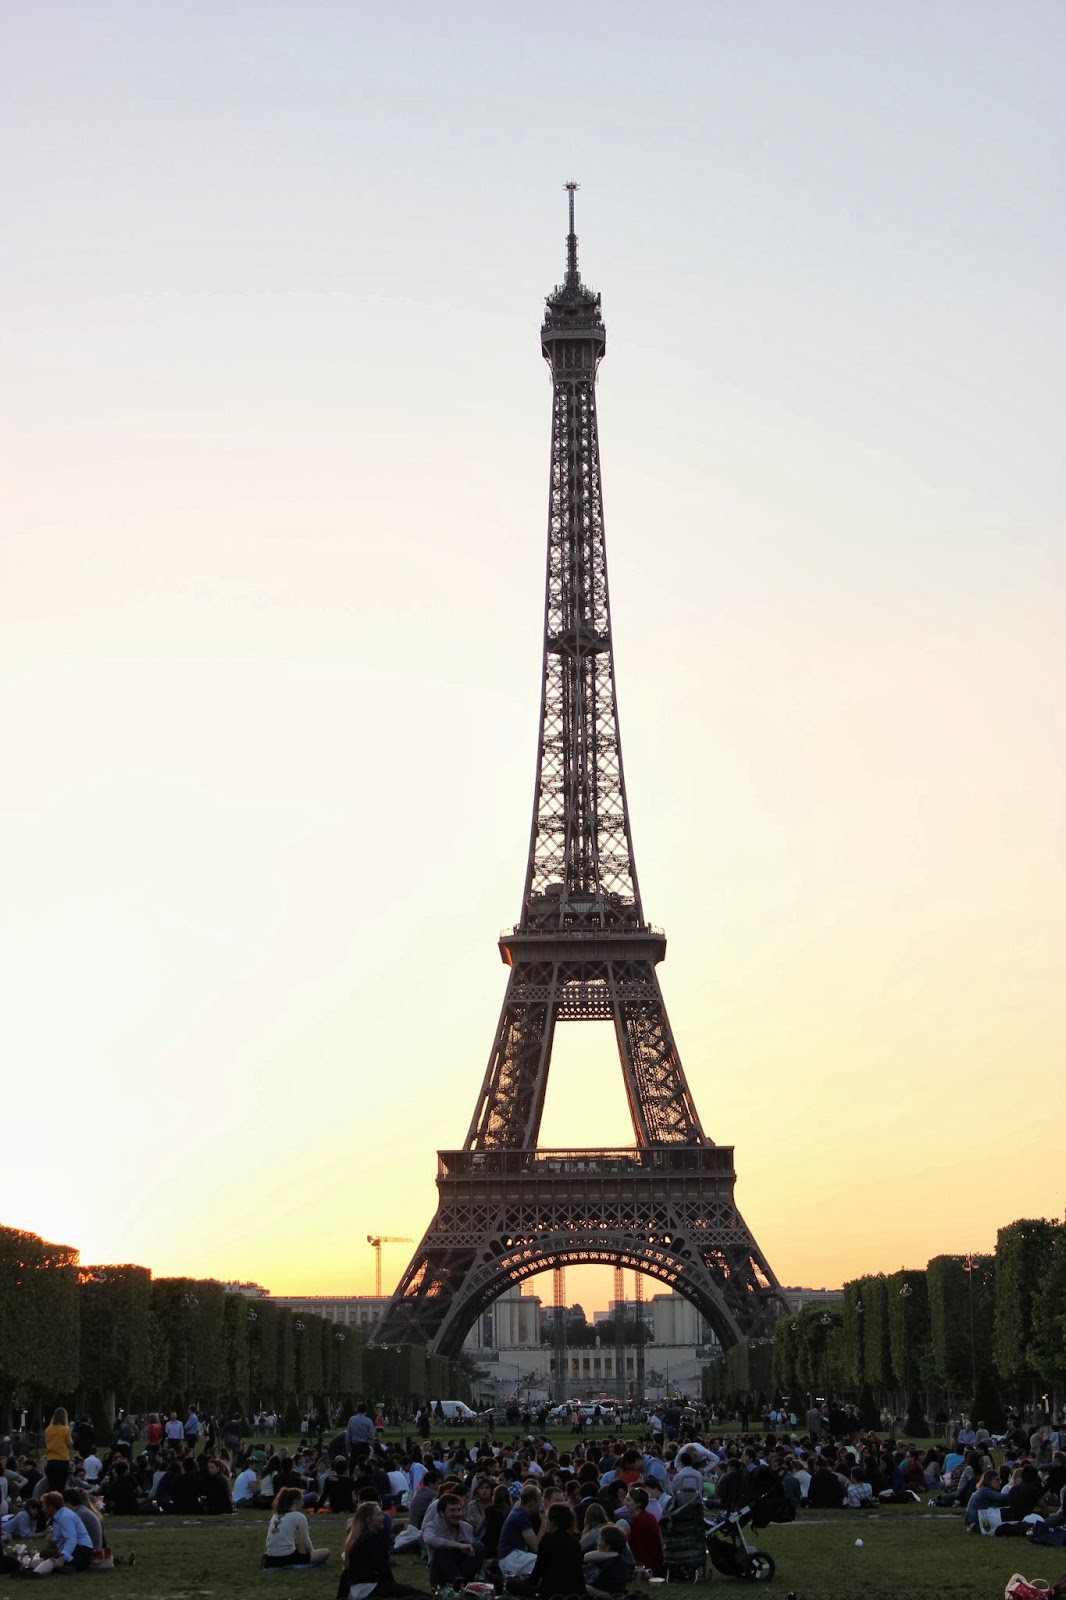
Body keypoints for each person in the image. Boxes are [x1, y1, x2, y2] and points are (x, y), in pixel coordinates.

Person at [336, 1500, 426, 1599]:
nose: (383, 1517)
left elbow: (346, 1571)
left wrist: (341, 1597)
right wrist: (393, 1586)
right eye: (379, 1515)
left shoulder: (355, 1539)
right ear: (368, 1519)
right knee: (421, 1596)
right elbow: (382, 1566)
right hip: (370, 1588)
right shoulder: (370, 1538)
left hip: (358, 1591)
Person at [421, 1491, 483, 1589]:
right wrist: (458, 1545)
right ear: (442, 1513)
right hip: (441, 1575)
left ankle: (464, 1584)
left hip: (463, 1570)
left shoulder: (466, 1527)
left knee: (478, 1547)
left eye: (459, 1510)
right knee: (442, 1551)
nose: (457, 1514)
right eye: (452, 1510)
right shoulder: (432, 1527)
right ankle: (458, 1583)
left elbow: (470, 1553)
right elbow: (430, 1539)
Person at [262, 1486, 329, 1568]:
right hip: (286, 1558)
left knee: (295, 1544)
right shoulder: (299, 1516)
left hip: (271, 1558)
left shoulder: (275, 1516)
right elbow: (306, 1543)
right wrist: (312, 1556)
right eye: (302, 1500)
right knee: (325, 1553)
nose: (303, 1503)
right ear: (296, 1501)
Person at [531, 1502, 585, 1599]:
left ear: (554, 1521)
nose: (545, 1522)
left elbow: (539, 1569)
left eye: (547, 1518)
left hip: (552, 1592)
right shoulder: (575, 1542)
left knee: (512, 1584)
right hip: (574, 1591)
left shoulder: (548, 1539)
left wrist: (527, 1583)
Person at [32, 1490, 94, 1575]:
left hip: (81, 1551)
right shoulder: (59, 1516)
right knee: (44, 1554)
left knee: (51, 1562)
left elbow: (71, 1540)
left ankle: (39, 1572)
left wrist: (62, 1558)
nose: (43, 1509)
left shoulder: (65, 1517)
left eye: (44, 1506)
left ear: (51, 1506)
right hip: (78, 1548)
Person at [498, 1481, 542, 1580]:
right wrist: (544, 1522)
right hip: (510, 1558)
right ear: (532, 1502)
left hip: (510, 1557)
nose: (541, 1503)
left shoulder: (518, 1511)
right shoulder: (521, 1517)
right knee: (543, 1562)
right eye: (539, 1500)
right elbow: (537, 1548)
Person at [583, 1522, 629, 1599]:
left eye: (600, 1539)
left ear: (607, 1547)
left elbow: (601, 1589)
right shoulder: (614, 1559)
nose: (597, 1542)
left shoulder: (611, 1565)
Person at [44, 1408, 74, 1493]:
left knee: (51, 1487)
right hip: (62, 1460)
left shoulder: (48, 1429)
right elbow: (70, 1445)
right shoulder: (65, 1429)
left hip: (51, 1460)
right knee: (61, 1488)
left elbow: (46, 1443)